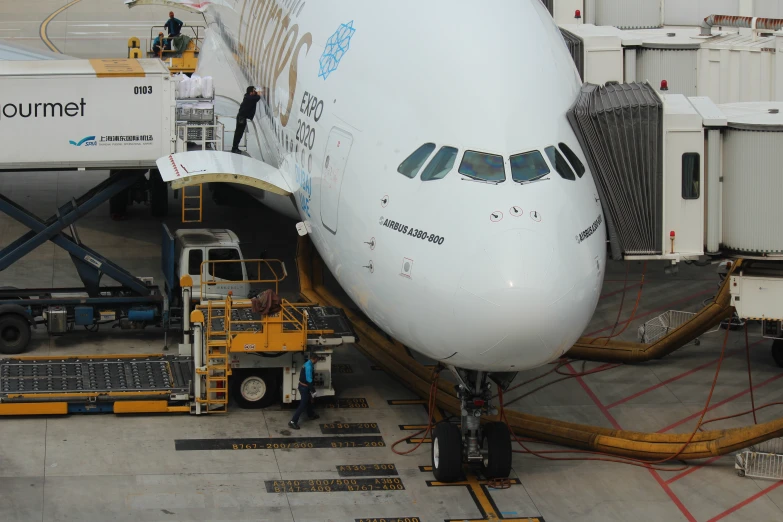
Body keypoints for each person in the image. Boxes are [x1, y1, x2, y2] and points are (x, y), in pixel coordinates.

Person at [289, 352, 320, 429]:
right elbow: (309, 380)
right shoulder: (309, 366)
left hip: (303, 386)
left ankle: (311, 415)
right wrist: (313, 391)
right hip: (304, 387)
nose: (317, 361)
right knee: (302, 405)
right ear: (315, 359)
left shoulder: (308, 363)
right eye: (317, 360)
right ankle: (293, 421)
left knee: (309, 401)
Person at [231, 86, 262, 154]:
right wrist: (259, 93)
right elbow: (258, 97)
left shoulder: (247, 96)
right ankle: (234, 148)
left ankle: (235, 147)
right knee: (239, 133)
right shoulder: (249, 98)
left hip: (241, 117)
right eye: (254, 91)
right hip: (241, 118)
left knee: (239, 133)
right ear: (251, 92)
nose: (255, 92)